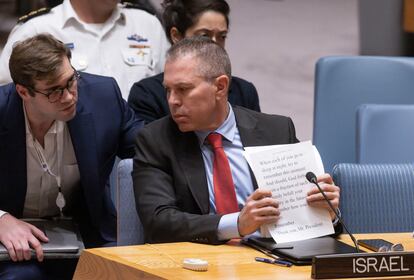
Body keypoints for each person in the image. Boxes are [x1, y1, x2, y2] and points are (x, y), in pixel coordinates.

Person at [132, 36, 341, 245]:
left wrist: (327, 213)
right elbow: (159, 222)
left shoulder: (276, 131)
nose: (172, 101)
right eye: (168, 90)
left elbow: (308, 219)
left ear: (220, 87)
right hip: (199, 262)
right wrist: (237, 224)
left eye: (183, 89)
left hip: (276, 258)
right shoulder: (156, 140)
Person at [0, 33, 143, 279]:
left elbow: (149, 149)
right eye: (54, 91)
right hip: (14, 240)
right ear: (24, 92)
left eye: (70, 81)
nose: (68, 96)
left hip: (87, 230)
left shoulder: (102, 97)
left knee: (119, 272)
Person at [0, 0, 169, 99]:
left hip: (141, 148)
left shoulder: (147, 23)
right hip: (67, 149)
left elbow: (167, 88)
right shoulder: (36, 29)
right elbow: (8, 99)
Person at [128, 0, 260, 124]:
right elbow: (152, 145)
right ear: (176, 36)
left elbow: (258, 143)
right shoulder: (148, 94)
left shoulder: (244, 91)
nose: (214, 44)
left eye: (222, 36)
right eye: (204, 36)